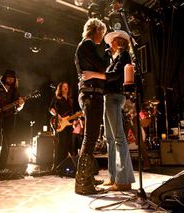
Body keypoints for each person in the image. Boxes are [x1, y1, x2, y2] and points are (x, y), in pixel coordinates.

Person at [82, 30, 136, 191]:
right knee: (110, 139)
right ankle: (113, 177)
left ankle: (123, 179)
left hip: (114, 97)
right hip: (109, 97)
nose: (110, 43)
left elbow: (113, 76)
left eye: (113, 41)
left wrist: (93, 74)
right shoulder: (116, 57)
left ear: (119, 42)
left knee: (118, 137)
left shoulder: (124, 56)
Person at [74, 18, 110, 195]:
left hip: (89, 94)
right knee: (90, 139)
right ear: (96, 30)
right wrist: (109, 55)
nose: (102, 38)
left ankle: (86, 178)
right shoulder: (87, 45)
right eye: (102, 33)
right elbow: (104, 67)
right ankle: (83, 183)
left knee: (90, 138)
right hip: (91, 95)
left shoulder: (84, 46)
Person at [49, 81, 73, 173]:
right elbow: (51, 108)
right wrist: (57, 115)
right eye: (64, 87)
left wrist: (74, 120)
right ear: (60, 88)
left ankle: (64, 165)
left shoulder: (70, 99)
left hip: (68, 124)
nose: (66, 88)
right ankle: (57, 166)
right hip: (59, 123)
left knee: (67, 143)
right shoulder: (57, 97)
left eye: (67, 86)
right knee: (60, 144)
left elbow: (70, 113)